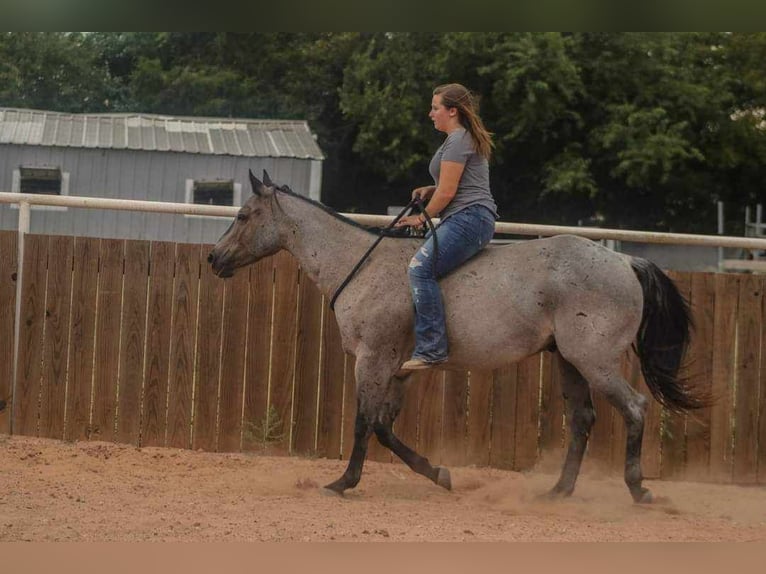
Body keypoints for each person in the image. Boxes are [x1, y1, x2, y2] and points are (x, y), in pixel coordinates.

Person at [395, 83, 498, 370]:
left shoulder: (458, 140)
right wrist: (431, 189)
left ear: (452, 111)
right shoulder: (457, 139)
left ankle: (431, 349)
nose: (431, 113)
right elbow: (450, 186)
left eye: (436, 108)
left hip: (468, 218)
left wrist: (421, 216)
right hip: (467, 216)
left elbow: (449, 193)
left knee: (419, 269)